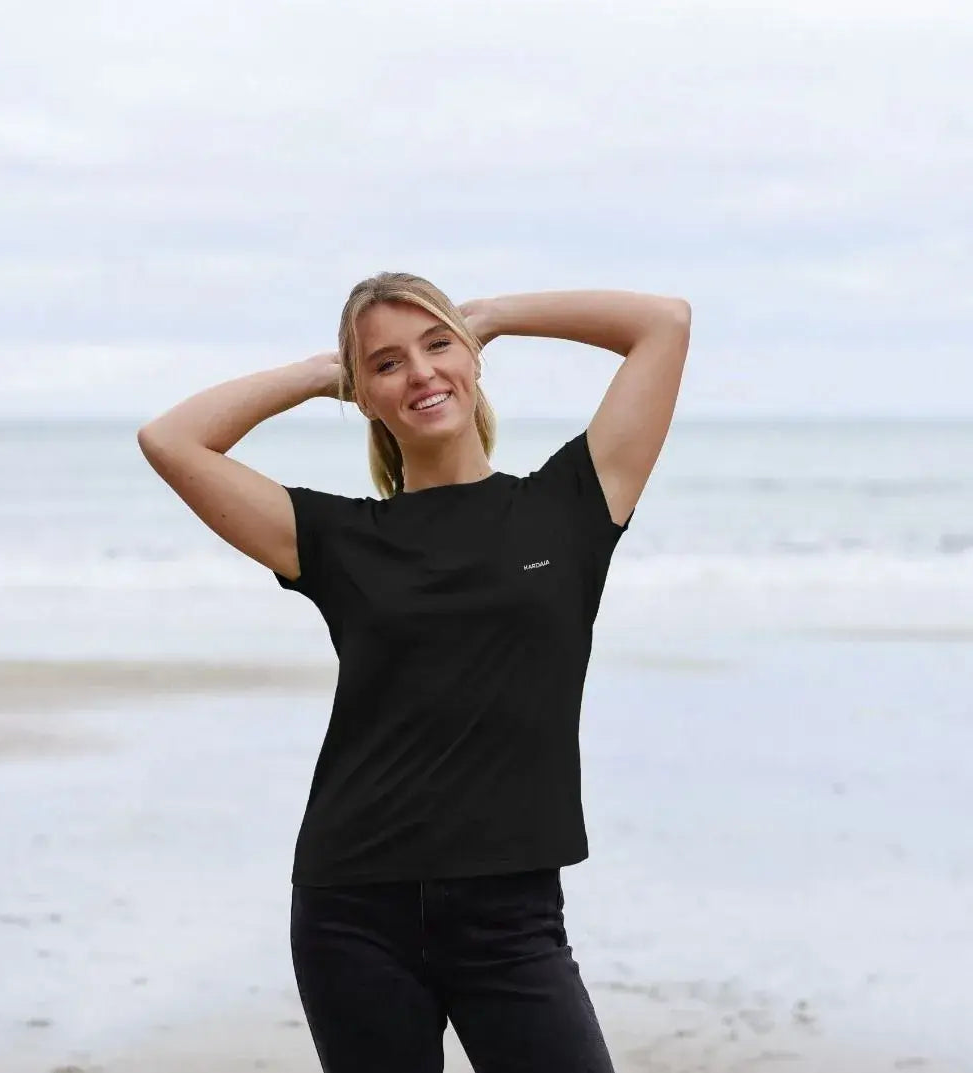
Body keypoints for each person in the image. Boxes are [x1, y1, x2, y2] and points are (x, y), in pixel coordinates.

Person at [137, 272, 690, 1073]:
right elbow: (171, 440)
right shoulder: (334, 537)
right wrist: (323, 373)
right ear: (364, 394)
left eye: (437, 345)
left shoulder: (571, 504)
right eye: (388, 363)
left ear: (470, 357)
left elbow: (664, 323)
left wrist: (494, 315)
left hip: (512, 915)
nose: (422, 373)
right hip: (353, 911)